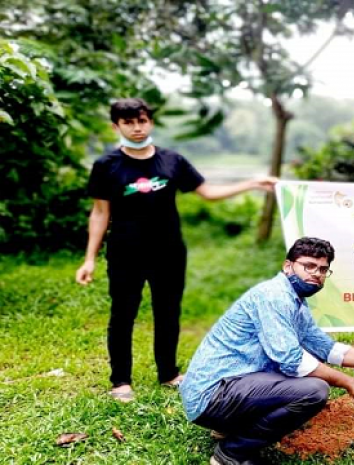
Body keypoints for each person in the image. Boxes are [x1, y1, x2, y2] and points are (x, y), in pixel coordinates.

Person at [75, 98, 278, 402]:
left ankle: (168, 373)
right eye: (128, 122)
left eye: (142, 120)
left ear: (151, 122)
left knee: (168, 313)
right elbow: (100, 213)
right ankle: (120, 381)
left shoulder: (172, 161)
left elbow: (208, 192)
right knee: (123, 314)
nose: (137, 128)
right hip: (125, 252)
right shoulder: (107, 165)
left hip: (169, 251)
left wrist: (251, 183)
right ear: (115, 126)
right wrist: (89, 258)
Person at [180, 237, 354, 465]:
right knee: (314, 390)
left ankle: (230, 426)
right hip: (211, 396)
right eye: (308, 266)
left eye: (322, 269)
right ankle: (231, 452)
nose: (316, 274)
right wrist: (350, 383)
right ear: (288, 266)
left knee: (302, 380)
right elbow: (292, 361)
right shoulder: (274, 296)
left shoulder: (296, 302)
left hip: (229, 389)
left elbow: (330, 350)